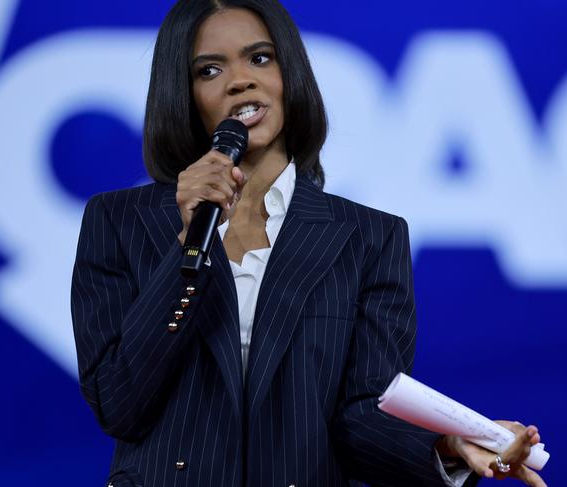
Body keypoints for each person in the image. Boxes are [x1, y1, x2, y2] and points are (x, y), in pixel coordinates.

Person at [71, 1, 547, 486]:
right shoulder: (117, 223)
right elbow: (118, 404)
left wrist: (447, 447)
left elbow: (361, 418)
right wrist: (188, 246)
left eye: (260, 58)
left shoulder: (369, 238)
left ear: (290, 74)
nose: (240, 80)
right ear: (184, 94)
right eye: (210, 69)